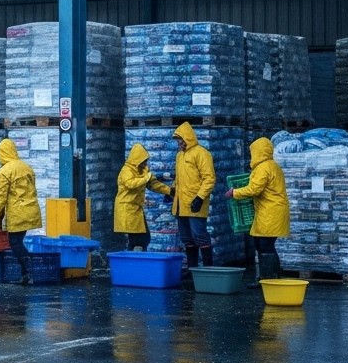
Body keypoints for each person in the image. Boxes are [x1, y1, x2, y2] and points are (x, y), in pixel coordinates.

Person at [226, 136, 291, 288]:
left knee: (265, 245)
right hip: (269, 211)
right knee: (262, 244)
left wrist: (234, 192)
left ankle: (269, 279)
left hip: (271, 212)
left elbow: (254, 189)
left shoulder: (263, 168)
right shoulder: (272, 166)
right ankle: (268, 277)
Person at [0, 138, 42, 285]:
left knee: (15, 243)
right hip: (30, 211)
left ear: (1, 153)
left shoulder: (4, 171)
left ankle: (30, 270)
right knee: (18, 241)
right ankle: (26, 274)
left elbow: (0, 198)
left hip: (18, 213)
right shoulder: (27, 167)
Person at [172, 121, 217, 269]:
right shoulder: (180, 156)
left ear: (187, 138)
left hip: (195, 203)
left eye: (180, 139)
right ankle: (192, 269)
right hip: (181, 204)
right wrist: (172, 191)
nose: (178, 142)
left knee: (199, 235)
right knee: (187, 238)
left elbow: (209, 178)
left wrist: (200, 197)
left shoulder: (201, 153)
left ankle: (208, 269)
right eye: (177, 139)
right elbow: (178, 178)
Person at [114, 143, 172, 252]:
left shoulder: (143, 171)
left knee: (140, 239)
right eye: (143, 161)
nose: (145, 163)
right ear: (137, 160)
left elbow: (153, 184)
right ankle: (135, 262)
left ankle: (135, 261)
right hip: (127, 209)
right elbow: (130, 184)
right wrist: (146, 177)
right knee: (139, 239)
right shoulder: (127, 170)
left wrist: (169, 191)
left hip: (136, 209)